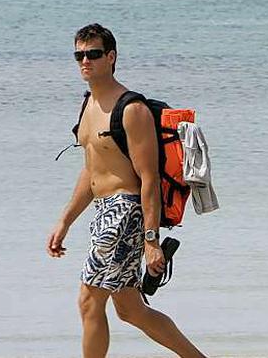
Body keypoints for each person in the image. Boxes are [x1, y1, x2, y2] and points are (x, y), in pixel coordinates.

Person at [47, 23, 205, 358]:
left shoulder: (131, 109)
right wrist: (65, 221)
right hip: (103, 210)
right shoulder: (88, 105)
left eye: (93, 54)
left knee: (89, 301)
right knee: (130, 310)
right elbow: (91, 171)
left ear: (111, 57)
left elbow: (147, 179)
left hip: (124, 212)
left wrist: (151, 242)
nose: (85, 61)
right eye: (79, 55)